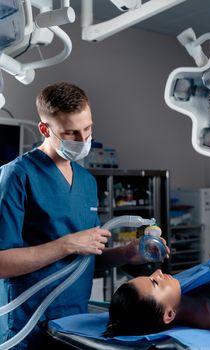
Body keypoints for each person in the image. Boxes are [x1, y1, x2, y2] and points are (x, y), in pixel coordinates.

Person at [0, 81, 170, 350]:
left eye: (88, 128)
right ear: (45, 129)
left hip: (72, 322)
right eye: (71, 133)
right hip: (26, 323)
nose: (83, 140)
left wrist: (126, 253)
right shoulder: (17, 175)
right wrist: (66, 244)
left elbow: (84, 259)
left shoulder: (86, 181)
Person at [105, 259, 210, 337]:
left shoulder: (188, 289)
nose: (158, 272)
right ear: (169, 315)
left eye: (150, 276)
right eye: (155, 282)